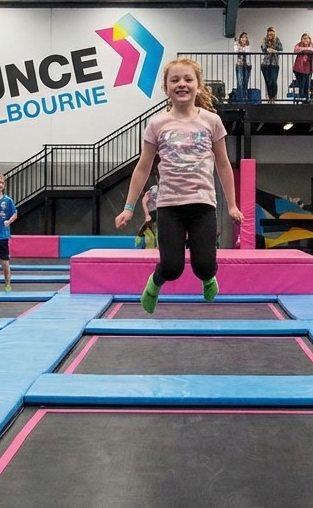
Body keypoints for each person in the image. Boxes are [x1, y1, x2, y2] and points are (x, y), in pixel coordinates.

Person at [115, 57, 243, 313]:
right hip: (170, 206)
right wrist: (129, 207)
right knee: (172, 267)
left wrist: (232, 205)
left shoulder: (211, 121)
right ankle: (154, 284)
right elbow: (143, 167)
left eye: (188, 79)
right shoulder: (157, 124)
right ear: (166, 88)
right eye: (175, 80)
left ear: (198, 85)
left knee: (204, 266)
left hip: (203, 205)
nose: (181, 84)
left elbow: (223, 164)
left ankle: (208, 278)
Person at [291, 33, 313, 102]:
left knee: (307, 84)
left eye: (307, 38)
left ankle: (307, 98)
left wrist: (305, 50)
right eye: (304, 38)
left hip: (309, 67)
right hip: (299, 68)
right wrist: (308, 50)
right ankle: (302, 98)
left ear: (310, 39)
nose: (306, 40)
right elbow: (296, 50)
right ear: (301, 39)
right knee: (301, 84)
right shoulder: (298, 45)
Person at [260, 27, 283, 102]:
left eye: (272, 33)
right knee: (268, 81)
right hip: (265, 64)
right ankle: (270, 98)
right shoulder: (265, 40)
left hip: (274, 63)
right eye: (269, 33)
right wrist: (268, 49)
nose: (271, 35)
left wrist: (273, 50)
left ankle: (273, 96)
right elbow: (263, 48)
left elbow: (280, 48)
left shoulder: (277, 40)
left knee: (273, 81)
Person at [233, 31, 253, 99]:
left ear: (247, 39)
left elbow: (247, 52)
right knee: (240, 82)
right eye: (242, 37)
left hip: (247, 66)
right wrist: (236, 43)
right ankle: (240, 98)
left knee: (245, 82)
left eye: (245, 37)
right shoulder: (237, 46)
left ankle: (245, 97)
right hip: (240, 65)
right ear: (240, 38)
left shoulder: (248, 46)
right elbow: (236, 51)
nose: (243, 39)